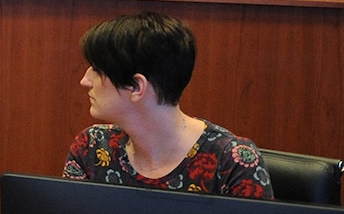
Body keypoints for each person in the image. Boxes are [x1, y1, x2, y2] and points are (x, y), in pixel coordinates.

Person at [62, 11, 271, 198]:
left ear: (136, 87)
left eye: (97, 71)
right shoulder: (92, 147)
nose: (85, 80)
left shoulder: (233, 161)